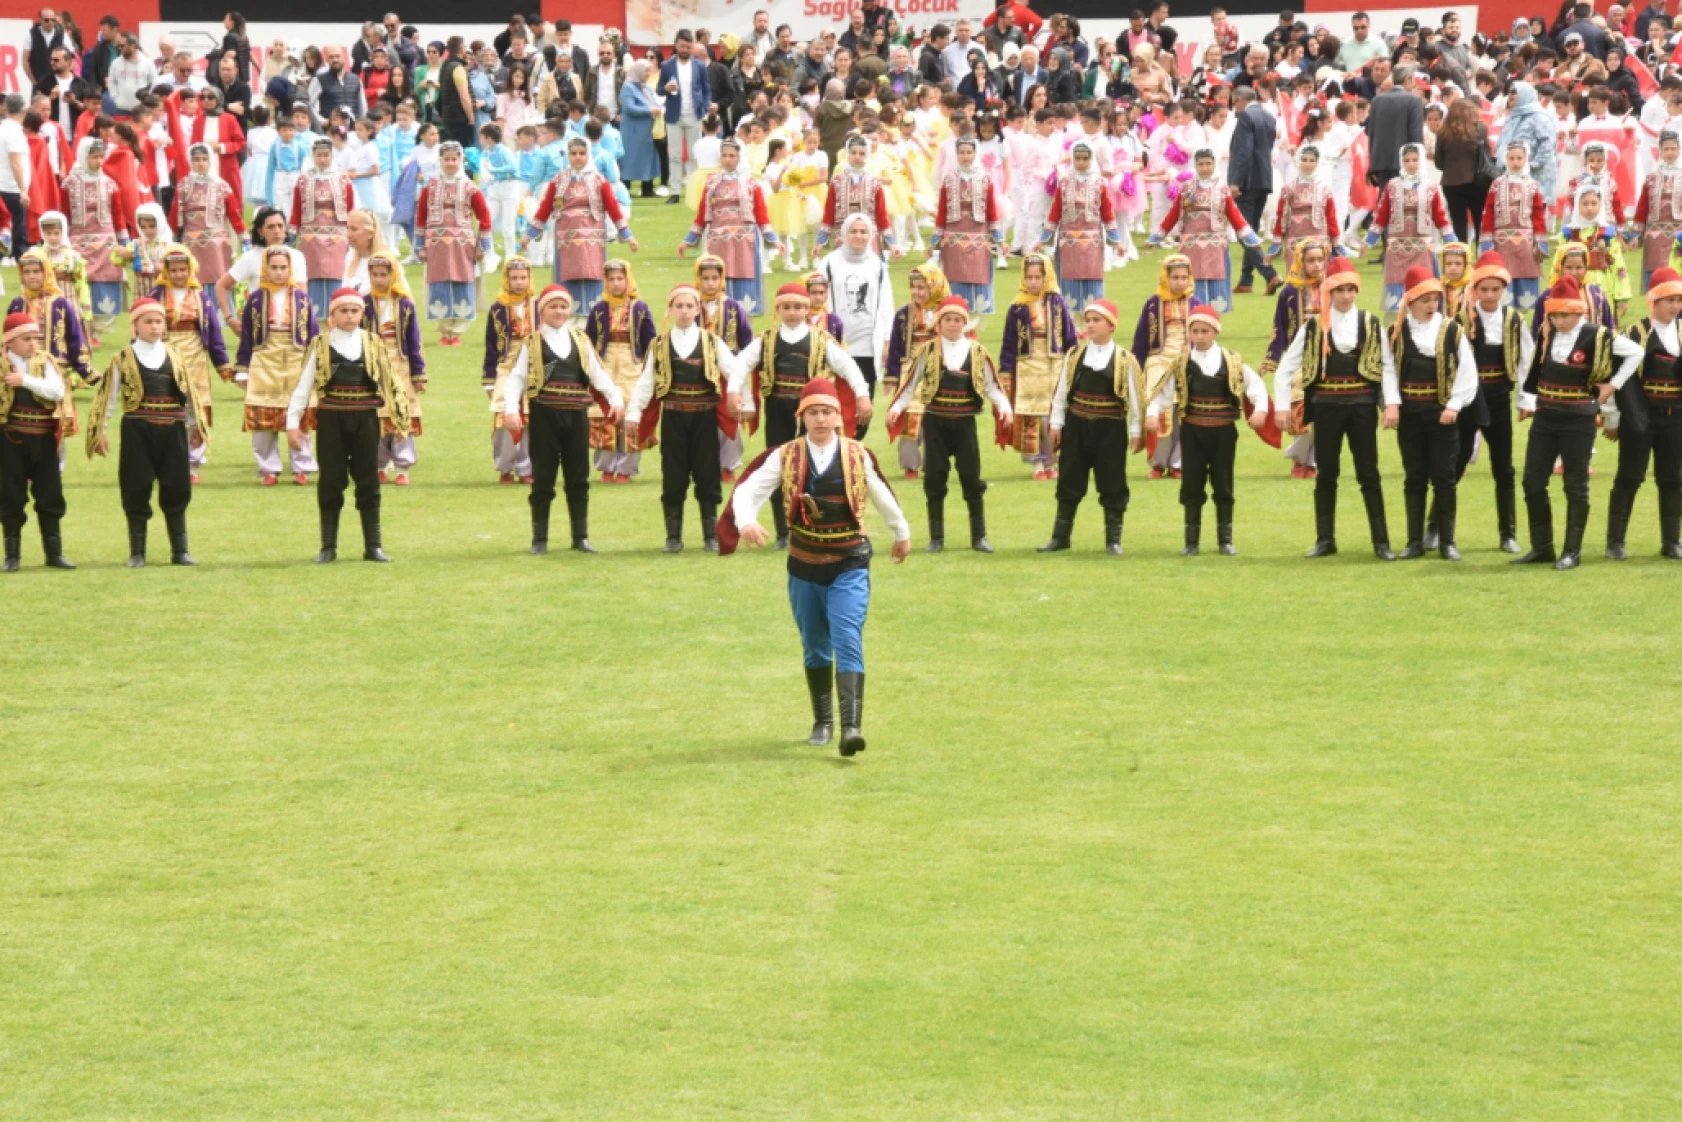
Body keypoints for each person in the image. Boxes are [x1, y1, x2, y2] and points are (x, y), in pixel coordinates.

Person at [722, 374, 908, 755]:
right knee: (816, 646)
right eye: (814, 414)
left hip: (849, 562)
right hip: (804, 563)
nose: (821, 421)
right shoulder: (785, 455)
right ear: (801, 417)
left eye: (827, 413)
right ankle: (822, 721)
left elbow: (882, 494)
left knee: (847, 637)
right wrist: (746, 522)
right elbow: (747, 490)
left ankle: (851, 727)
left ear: (839, 417)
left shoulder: (858, 454)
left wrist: (900, 531)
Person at [727, 283, 874, 548]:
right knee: (779, 464)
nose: (793, 312)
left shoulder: (821, 340)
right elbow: (741, 365)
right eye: (787, 307)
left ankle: (813, 524)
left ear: (808, 309)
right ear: (778, 309)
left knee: (815, 467)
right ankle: (783, 532)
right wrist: (732, 391)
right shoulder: (766, 340)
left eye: (798, 307)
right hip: (778, 408)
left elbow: (848, 366)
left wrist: (862, 395)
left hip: (812, 411)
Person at [1272, 257, 1398, 560]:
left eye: (1351, 289)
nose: (1346, 295)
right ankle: (1325, 539)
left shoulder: (1370, 323)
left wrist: (1392, 404)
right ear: (1329, 291)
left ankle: (1381, 542)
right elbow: (1285, 367)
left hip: (1361, 407)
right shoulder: (1313, 326)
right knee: (1327, 473)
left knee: (1369, 473)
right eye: (1340, 289)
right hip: (1326, 407)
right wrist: (1281, 406)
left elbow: (1387, 367)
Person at [1514, 273, 1643, 568]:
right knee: (1532, 482)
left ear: (1578, 311)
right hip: (1545, 417)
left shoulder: (1597, 335)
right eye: (1555, 315)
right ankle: (1542, 547)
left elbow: (1636, 352)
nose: (1560, 320)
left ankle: (1572, 551)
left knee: (1575, 485)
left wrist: (1613, 385)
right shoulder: (1547, 334)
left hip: (1578, 420)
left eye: (1565, 315)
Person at [286, 286, 407, 563]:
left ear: (362, 314)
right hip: (331, 418)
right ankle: (328, 546)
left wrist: (400, 419)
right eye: (344, 311)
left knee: (368, 479)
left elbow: (390, 381)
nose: (349, 316)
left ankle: (373, 545)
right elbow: (303, 388)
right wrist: (293, 423)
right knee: (331, 480)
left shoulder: (373, 343)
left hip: (365, 417)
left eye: (355, 311)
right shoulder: (320, 344)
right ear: (333, 314)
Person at [499, 284, 622, 554]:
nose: (559, 311)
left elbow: (598, 374)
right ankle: (539, 540)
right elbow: (517, 379)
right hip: (545, 415)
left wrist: (615, 399)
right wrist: (510, 409)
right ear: (542, 310)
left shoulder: (580, 339)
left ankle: (580, 537)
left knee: (578, 476)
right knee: (543, 477)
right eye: (553, 306)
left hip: (577, 415)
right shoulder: (531, 343)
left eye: (563, 306)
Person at [886, 294, 1012, 552]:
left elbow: (992, 386)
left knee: (971, 476)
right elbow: (910, 385)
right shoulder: (928, 350)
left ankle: (979, 537)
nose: (953, 325)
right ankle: (936, 538)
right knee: (934, 476)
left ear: (965, 323)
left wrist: (1005, 407)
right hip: (935, 422)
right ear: (939, 323)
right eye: (948, 320)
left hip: (965, 422)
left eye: (957, 320)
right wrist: (896, 407)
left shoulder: (977, 352)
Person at [86, 296, 206, 566]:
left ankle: (180, 550)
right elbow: (108, 397)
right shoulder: (122, 358)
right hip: (138, 429)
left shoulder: (175, 355)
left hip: (173, 428)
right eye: (148, 321)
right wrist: (100, 431)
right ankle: (137, 552)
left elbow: (188, 393)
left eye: (159, 321)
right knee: (136, 485)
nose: (154, 327)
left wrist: (196, 424)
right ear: (135, 325)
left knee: (177, 487)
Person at [1143, 303, 1269, 555]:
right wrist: (1152, 414)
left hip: (1223, 431)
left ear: (1215, 332)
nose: (1199, 336)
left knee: (1223, 483)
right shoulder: (1181, 363)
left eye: (1204, 331)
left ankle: (1225, 540)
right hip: (1192, 431)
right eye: (1195, 331)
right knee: (1192, 483)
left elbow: (1255, 386)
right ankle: (1191, 541)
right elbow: (1161, 393)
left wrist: (1261, 409)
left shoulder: (1232, 361)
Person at [626, 284, 742, 552]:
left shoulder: (713, 342)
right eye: (679, 306)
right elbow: (646, 382)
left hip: (704, 417)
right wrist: (634, 412)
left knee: (708, 473)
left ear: (698, 309)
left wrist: (737, 397)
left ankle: (711, 536)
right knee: (674, 474)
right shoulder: (659, 344)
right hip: (675, 417)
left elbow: (733, 372)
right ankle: (673, 537)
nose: (685, 310)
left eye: (690, 306)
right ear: (670, 309)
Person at [1385, 265, 1480, 561]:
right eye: (1424, 299)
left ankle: (1447, 541)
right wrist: (1392, 403)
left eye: (1435, 299)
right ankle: (1414, 542)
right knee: (1414, 477)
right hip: (1411, 415)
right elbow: (1388, 370)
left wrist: (1454, 405)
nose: (1431, 305)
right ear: (1409, 301)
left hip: (1442, 416)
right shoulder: (1396, 332)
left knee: (1444, 477)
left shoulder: (1452, 330)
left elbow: (1467, 371)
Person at [1037, 299, 1144, 555]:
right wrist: (1056, 423)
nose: (1091, 325)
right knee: (1070, 480)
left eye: (1097, 320)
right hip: (1076, 426)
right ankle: (1060, 537)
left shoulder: (1125, 360)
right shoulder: (1074, 355)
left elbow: (1136, 397)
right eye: (1089, 320)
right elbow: (1062, 391)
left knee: (1112, 481)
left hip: (1110, 429)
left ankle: (1113, 540)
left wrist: (1137, 430)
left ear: (1111, 325)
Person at [1458, 251, 1535, 553]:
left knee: (1503, 468)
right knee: (1455, 462)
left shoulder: (1515, 320)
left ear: (1504, 289)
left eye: (1495, 289)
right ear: (1474, 289)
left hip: (1498, 397)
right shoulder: (1461, 319)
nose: (1490, 295)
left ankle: (1508, 533)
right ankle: (1437, 529)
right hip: (1467, 399)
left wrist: (1525, 400)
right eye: (1484, 289)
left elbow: (1527, 361)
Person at [1607, 266, 1682, 560]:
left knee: (1673, 478)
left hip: (1675, 415)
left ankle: (1672, 541)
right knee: (1629, 476)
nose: (1676, 306)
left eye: (1679, 300)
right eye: (1670, 300)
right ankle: (1615, 542)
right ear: (1654, 301)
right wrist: (1612, 417)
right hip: (1640, 414)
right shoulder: (1632, 333)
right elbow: (1613, 377)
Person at [233, 245, 318, 485]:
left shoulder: (302, 299)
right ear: (265, 269)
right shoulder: (255, 299)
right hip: (264, 358)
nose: (279, 272)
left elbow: (312, 333)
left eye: (283, 267)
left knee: (299, 412)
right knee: (263, 415)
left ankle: (302, 466)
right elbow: (247, 336)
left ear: (290, 269)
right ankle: (268, 469)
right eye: (274, 268)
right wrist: (242, 369)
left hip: (295, 359)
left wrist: (316, 364)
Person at [523, 136, 636, 313]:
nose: (577, 157)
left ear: (588, 154)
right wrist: (529, 235)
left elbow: (613, 208)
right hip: (565, 237)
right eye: (573, 153)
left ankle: (594, 315)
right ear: (568, 155)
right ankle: (566, 315)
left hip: (593, 238)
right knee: (567, 276)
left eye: (582, 153)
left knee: (594, 274)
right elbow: (545, 208)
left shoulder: (599, 180)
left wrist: (628, 236)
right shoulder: (559, 180)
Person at [1150, 147, 1264, 313]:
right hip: (1191, 243)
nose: (1205, 168)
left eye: (1208, 164)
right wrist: (1158, 235)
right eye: (1201, 164)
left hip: (1215, 242)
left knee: (1216, 280)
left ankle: (1212, 319)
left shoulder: (1222, 189)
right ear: (1196, 166)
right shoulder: (1187, 188)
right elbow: (1174, 214)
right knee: (1192, 280)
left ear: (1214, 165)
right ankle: (1194, 314)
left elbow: (1234, 215)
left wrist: (1250, 237)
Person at [150, 245, 229, 482]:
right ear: (166, 270)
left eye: (183, 269)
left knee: (194, 409)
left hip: (194, 358)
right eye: (173, 270)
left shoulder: (201, 297)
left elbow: (213, 333)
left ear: (191, 269)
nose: (178, 275)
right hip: (162, 356)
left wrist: (223, 364)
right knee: (163, 409)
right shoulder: (155, 296)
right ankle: (164, 462)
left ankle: (192, 464)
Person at [0, 311, 70, 571]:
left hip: (43, 439)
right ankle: (12, 556)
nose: (33, 344)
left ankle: (54, 553)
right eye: (26, 338)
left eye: (36, 338)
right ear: (10, 342)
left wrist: (25, 381)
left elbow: (56, 391)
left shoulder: (45, 362)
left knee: (50, 493)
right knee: (12, 494)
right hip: (11, 439)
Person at [998, 252, 1076, 480]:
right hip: (1027, 367)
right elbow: (1009, 342)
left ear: (1046, 277)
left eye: (1037, 277)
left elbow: (1069, 335)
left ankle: (1052, 462)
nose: (1033, 282)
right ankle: (1037, 463)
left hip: (1053, 366)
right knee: (1033, 416)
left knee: (1052, 414)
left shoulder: (1057, 303)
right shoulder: (1017, 307)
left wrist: (1075, 361)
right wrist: (1005, 371)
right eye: (1029, 277)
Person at [9, 248, 93, 456]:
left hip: (55, 370)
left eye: (36, 271)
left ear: (46, 272)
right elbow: (8, 337)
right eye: (27, 272)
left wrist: (84, 369)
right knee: (22, 415)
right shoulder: (17, 304)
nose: (32, 276)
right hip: (22, 368)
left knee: (56, 421)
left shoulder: (61, 303)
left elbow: (75, 338)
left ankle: (55, 469)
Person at [679, 137, 776, 314]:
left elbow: (761, 214)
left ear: (739, 158)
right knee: (718, 272)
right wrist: (688, 240)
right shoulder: (711, 182)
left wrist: (774, 240)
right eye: (724, 155)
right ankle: (718, 309)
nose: (728, 159)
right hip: (718, 238)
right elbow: (702, 214)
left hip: (744, 237)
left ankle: (745, 310)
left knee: (744, 271)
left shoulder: (752, 183)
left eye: (732, 155)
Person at [1260, 240, 1330, 480]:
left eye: (1320, 260)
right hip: (1297, 358)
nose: (1316, 265)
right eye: (1311, 260)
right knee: (1300, 409)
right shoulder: (1289, 292)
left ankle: (1311, 462)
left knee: (1323, 412)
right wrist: (1272, 359)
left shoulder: (1332, 288)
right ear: (1300, 261)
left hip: (1327, 357)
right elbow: (1279, 327)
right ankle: (1301, 458)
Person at [584, 259, 656, 482]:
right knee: (603, 411)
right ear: (605, 281)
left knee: (631, 411)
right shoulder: (598, 309)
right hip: (604, 364)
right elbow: (588, 342)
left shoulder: (640, 308)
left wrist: (649, 367)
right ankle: (606, 466)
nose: (616, 283)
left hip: (631, 365)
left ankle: (625, 468)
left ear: (628, 279)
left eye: (620, 279)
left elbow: (650, 342)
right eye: (611, 279)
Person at [416, 141, 491, 346]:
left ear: (460, 160)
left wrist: (482, 245)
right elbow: (421, 216)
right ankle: (443, 331)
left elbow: (484, 216)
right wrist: (420, 245)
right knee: (438, 284)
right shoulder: (430, 187)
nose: (450, 163)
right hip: (436, 244)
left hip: (463, 245)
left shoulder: (470, 188)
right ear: (440, 161)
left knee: (462, 283)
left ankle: (457, 332)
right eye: (446, 159)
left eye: (454, 159)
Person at [1364, 143, 1454, 311]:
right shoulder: (1392, 185)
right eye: (1407, 160)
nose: (1411, 164)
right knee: (1397, 286)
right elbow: (1381, 214)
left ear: (1421, 161)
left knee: (1423, 284)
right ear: (1401, 162)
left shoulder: (1430, 187)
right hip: (1397, 247)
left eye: (1415, 160)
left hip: (1421, 246)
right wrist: (1369, 240)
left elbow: (1439, 216)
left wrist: (1451, 239)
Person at [362, 250, 425, 485]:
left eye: (383, 274)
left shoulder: (405, 305)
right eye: (375, 274)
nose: (379, 279)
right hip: (372, 367)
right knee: (377, 418)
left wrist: (418, 374)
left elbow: (414, 341)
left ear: (393, 275)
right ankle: (379, 465)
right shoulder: (364, 303)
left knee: (401, 415)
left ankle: (402, 467)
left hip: (400, 366)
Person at [816, 214, 894, 399]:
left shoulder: (877, 265)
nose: (859, 236)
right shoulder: (829, 263)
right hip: (835, 342)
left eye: (863, 232)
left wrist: (886, 341)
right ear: (844, 233)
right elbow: (817, 299)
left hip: (868, 344)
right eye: (853, 231)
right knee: (835, 399)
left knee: (864, 401)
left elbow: (886, 304)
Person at [1134, 254, 1196, 480]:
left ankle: (1178, 463)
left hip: (1186, 366)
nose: (1180, 282)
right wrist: (1135, 368)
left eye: (1184, 277)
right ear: (1165, 278)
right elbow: (1141, 340)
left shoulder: (1195, 304)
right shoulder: (1153, 304)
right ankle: (1158, 463)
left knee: (1184, 417)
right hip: (1158, 363)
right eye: (1175, 277)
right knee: (1159, 415)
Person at [1039, 141, 1120, 313]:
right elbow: (1055, 211)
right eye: (1077, 158)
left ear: (1091, 159)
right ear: (1072, 159)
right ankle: (1072, 325)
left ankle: (1092, 319)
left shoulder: (1100, 183)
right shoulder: (1064, 182)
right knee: (1069, 282)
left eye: (1085, 158)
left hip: (1093, 242)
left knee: (1092, 281)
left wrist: (1116, 239)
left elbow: (1107, 212)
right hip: (1068, 242)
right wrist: (1045, 237)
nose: (1081, 162)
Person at [882, 265, 947, 479]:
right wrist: (891, 378)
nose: (917, 292)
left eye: (922, 287)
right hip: (909, 372)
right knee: (909, 418)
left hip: (939, 372)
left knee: (936, 418)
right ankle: (910, 466)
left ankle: (934, 463)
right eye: (914, 287)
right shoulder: (903, 314)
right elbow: (895, 349)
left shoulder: (947, 312)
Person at [64, 138, 131, 335]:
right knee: (79, 282)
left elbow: (118, 214)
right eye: (94, 157)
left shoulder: (109, 184)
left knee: (104, 282)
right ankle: (81, 327)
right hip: (77, 241)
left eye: (102, 157)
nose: (99, 161)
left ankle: (98, 331)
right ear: (84, 157)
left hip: (106, 243)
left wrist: (124, 241)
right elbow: (65, 213)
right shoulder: (69, 183)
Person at [932, 137, 1004, 318]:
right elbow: (942, 211)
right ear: (956, 155)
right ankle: (955, 316)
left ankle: (973, 324)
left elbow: (991, 210)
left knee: (977, 276)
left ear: (975, 153)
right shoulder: (948, 179)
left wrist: (1000, 239)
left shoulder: (985, 179)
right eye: (961, 153)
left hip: (979, 235)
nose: (965, 156)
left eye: (969, 152)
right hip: (953, 236)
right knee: (954, 278)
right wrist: (934, 241)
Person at [484, 255, 536, 484]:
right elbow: (490, 345)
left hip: (534, 368)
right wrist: (489, 379)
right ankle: (505, 467)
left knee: (530, 420)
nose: (519, 282)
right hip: (505, 367)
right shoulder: (498, 308)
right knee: (503, 419)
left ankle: (527, 469)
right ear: (507, 279)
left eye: (523, 277)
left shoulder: (538, 305)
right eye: (514, 278)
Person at [1479, 141, 1549, 310]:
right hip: (1502, 242)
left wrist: (1540, 242)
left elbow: (1538, 214)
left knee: (1526, 272)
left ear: (1526, 159)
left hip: (1526, 241)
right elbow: (1488, 212)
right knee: (1504, 273)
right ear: (1506, 159)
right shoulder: (1496, 184)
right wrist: (1487, 240)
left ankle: (1526, 311)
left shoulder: (1532, 185)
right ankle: (1505, 309)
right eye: (1512, 158)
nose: (1515, 162)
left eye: (1519, 158)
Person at [289, 138, 354, 321]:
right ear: (313, 156)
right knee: (312, 275)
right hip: (311, 235)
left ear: (332, 156)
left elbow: (349, 207)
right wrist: (293, 232)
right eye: (319, 155)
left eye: (326, 155)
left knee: (336, 274)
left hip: (336, 234)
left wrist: (351, 232)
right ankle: (314, 318)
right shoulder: (303, 180)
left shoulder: (342, 180)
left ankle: (336, 315)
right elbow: (296, 208)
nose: (323, 159)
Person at [1227, 87, 1279, 296]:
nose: (1234, 108)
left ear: (1240, 100)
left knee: (1243, 232)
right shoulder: (1268, 116)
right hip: (1264, 178)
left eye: (1234, 103)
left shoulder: (1246, 116)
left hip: (1247, 180)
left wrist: (1236, 181)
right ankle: (1246, 279)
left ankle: (1269, 273)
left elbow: (1243, 151)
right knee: (1252, 229)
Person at [172, 142, 243, 287]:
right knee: (193, 275)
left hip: (216, 242)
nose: (201, 163)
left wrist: (244, 237)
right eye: (196, 160)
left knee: (218, 276)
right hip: (192, 240)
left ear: (210, 161)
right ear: (190, 162)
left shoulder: (221, 186)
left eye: (204, 159)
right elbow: (175, 214)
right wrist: (171, 238)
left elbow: (233, 213)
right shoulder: (183, 185)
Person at [818, 134, 896, 256]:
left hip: (869, 238)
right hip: (842, 237)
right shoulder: (837, 182)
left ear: (867, 155)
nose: (857, 157)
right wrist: (820, 242)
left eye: (862, 154)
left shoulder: (875, 183)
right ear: (847, 154)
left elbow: (881, 215)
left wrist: (891, 244)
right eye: (853, 153)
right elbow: (829, 214)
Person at [659, 31, 711, 205]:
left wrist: (704, 108)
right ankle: (674, 191)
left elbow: (706, 89)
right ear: (675, 45)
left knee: (693, 154)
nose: (685, 50)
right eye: (682, 46)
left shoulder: (700, 66)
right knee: (674, 155)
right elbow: (659, 90)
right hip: (674, 114)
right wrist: (666, 88)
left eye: (689, 47)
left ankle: (693, 189)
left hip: (694, 114)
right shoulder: (667, 66)